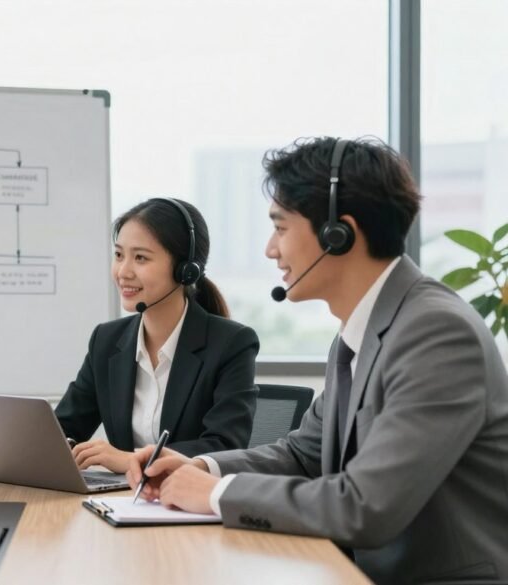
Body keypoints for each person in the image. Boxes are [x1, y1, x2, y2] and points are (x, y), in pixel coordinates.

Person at [128, 137, 508, 584]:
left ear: (338, 234)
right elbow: (303, 454)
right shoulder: (359, 332)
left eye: (281, 228)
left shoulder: (437, 334)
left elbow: (366, 506)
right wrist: (202, 467)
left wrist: (216, 494)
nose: (271, 249)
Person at [55, 197, 260, 473]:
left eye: (140, 258)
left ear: (185, 270)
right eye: (119, 255)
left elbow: (224, 446)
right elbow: (64, 429)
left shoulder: (232, 344)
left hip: (190, 504)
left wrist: (131, 460)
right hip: (123, 502)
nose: (123, 271)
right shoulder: (106, 341)